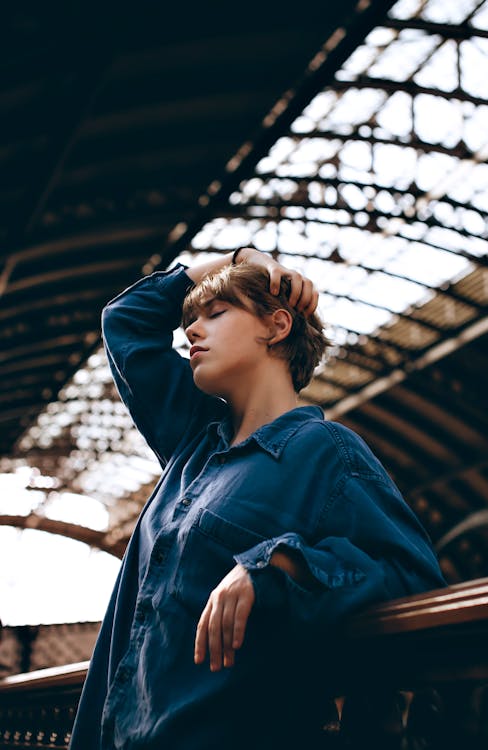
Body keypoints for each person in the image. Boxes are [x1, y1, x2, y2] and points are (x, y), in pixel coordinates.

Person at [69, 247, 446, 750]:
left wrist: (279, 564)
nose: (191, 333)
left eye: (216, 314)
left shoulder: (326, 453)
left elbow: (411, 577)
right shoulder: (194, 440)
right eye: (191, 320)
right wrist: (239, 258)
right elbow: (125, 322)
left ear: (277, 326)